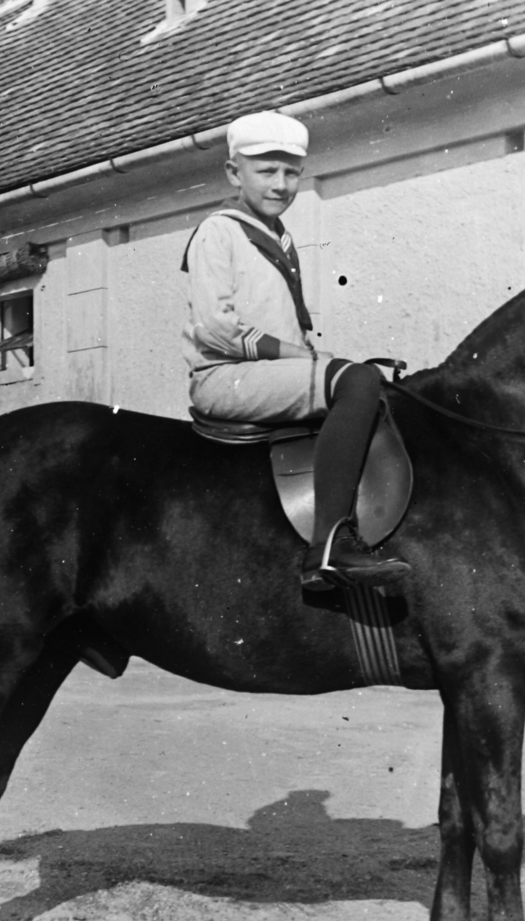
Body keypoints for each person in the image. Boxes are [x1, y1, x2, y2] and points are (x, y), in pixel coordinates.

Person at [183, 110, 411, 590]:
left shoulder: (279, 236)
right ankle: (328, 546)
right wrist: (301, 357)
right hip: (226, 377)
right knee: (356, 380)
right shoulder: (218, 232)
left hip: (264, 373)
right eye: (266, 171)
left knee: (373, 384)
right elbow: (215, 329)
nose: (280, 184)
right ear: (233, 173)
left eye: (291, 173)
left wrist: (310, 354)